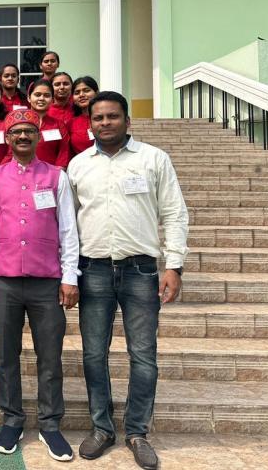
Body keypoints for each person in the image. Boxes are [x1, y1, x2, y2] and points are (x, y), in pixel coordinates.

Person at [67, 92, 188, 470]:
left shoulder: (154, 159)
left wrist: (174, 265)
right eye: (99, 118)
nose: (105, 123)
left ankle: (137, 432)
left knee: (143, 355)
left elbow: (175, 212)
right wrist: (69, 272)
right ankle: (101, 428)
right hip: (94, 270)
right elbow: (67, 226)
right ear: (90, 123)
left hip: (141, 270)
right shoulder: (77, 165)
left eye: (112, 116)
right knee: (92, 354)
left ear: (127, 120)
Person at [0, 109, 79, 459]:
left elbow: (68, 229)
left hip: (46, 282)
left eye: (28, 132)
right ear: (7, 138)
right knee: (6, 354)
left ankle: (50, 424)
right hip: (2, 280)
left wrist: (69, 276)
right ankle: (12, 418)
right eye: (16, 132)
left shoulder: (56, 177)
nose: (22, 137)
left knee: (50, 356)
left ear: (38, 136)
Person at [28, 79, 71, 168]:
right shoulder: (20, 123)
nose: (41, 98)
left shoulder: (58, 125)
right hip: (22, 174)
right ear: (29, 98)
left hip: (51, 176)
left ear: (52, 100)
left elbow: (64, 150)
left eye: (46, 95)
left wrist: (59, 170)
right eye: (37, 95)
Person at [69, 76, 99, 157]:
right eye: (77, 92)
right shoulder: (71, 123)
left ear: (96, 93)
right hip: (81, 166)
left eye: (86, 90)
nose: (81, 95)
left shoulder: (105, 119)